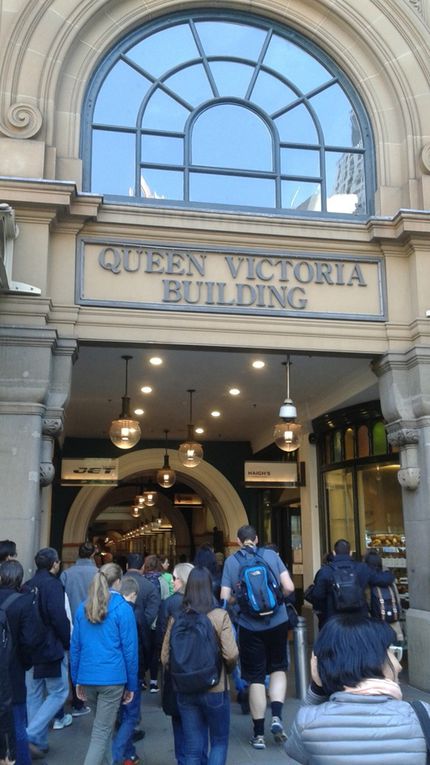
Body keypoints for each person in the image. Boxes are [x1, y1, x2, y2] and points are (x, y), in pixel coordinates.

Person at [284, 613, 429, 764]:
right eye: (391, 652)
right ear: (374, 660)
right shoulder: (423, 716)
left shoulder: (307, 723)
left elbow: (295, 751)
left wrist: (317, 689)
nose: (399, 666)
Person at [220, 525, 294, 749]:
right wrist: (278, 599)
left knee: (255, 678)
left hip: (249, 626)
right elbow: (289, 587)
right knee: (278, 669)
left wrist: (239, 600)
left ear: (239, 541)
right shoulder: (271, 555)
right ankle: (277, 716)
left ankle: (259, 734)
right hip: (278, 622)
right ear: (257, 538)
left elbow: (225, 598)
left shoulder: (232, 562)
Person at [161, 566, 238, 765]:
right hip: (215, 687)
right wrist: (225, 670)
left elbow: (165, 657)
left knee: (193, 749)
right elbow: (231, 654)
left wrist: (183, 673)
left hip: (185, 690)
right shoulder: (220, 616)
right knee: (219, 742)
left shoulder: (176, 617)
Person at [70, 562, 138, 765]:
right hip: (112, 678)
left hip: (88, 676)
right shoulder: (123, 608)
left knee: (104, 730)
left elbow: (75, 648)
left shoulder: (84, 607)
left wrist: (76, 680)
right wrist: (132, 685)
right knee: (101, 733)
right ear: (118, 582)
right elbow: (130, 651)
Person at [24, 548, 71, 759]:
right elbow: (58, 617)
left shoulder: (27, 585)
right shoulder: (53, 585)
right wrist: (67, 642)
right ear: (54, 564)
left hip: (29, 647)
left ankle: (39, 742)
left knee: (33, 694)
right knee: (59, 692)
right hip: (50, 646)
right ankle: (30, 735)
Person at [0, 560, 45, 765]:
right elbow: (30, 640)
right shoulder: (25, 602)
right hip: (13, 667)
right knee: (17, 719)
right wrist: (26, 663)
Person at [309, 539, 395, 627]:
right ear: (350, 553)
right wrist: (389, 573)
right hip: (359, 617)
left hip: (334, 619)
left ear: (334, 553)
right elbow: (383, 580)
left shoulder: (325, 571)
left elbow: (317, 595)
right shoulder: (362, 568)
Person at [160, 562, 194, 765]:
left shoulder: (170, 604)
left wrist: (163, 665)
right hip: (200, 671)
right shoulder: (205, 602)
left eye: (174, 577)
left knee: (179, 719)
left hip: (176, 670)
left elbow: (162, 639)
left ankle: (182, 759)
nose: (171, 581)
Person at [60, 541, 97, 717]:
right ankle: (87, 696)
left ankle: (75, 698)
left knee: (73, 660)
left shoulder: (67, 574)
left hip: (72, 622)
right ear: (92, 555)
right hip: (94, 621)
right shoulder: (98, 574)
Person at [111, 577, 141, 765]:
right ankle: (117, 754)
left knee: (122, 714)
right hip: (127, 671)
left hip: (109, 671)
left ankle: (129, 753)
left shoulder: (106, 609)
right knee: (131, 714)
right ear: (133, 594)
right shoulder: (130, 612)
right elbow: (134, 649)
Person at [123, 552, 161, 692]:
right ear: (143, 567)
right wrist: (141, 624)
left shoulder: (119, 583)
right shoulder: (149, 587)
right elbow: (152, 611)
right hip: (143, 631)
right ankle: (140, 679)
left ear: (127, 566)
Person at [364, 549, 404, 643]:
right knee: (394, 653)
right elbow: (397, 600)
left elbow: (367, 602)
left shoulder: (367, 581)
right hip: (393, 624)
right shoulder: (389, 578)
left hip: (374, 624)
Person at [142, 554, 169, 693]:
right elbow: (165, 601)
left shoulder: (141, 580)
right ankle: (153, 682)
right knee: (154, 651)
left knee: (142, 649)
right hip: (156, 622)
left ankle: (141, 679)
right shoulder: (162, 581)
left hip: (142, 621)